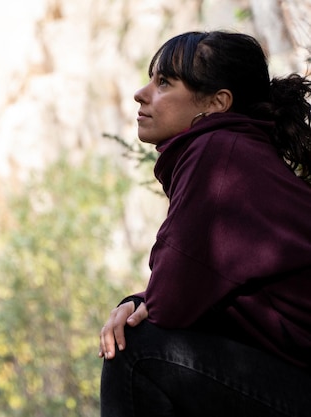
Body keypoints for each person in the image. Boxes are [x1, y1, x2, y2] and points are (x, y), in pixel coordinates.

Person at [98, 30, 311, 417]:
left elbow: (172, 301)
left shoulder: (218, 153)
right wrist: (138, 301)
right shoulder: (237, 151)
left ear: (216, 104)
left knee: (136, 350)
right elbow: (189, 297)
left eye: (164, 82)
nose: (141, 94)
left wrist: (139, 306)